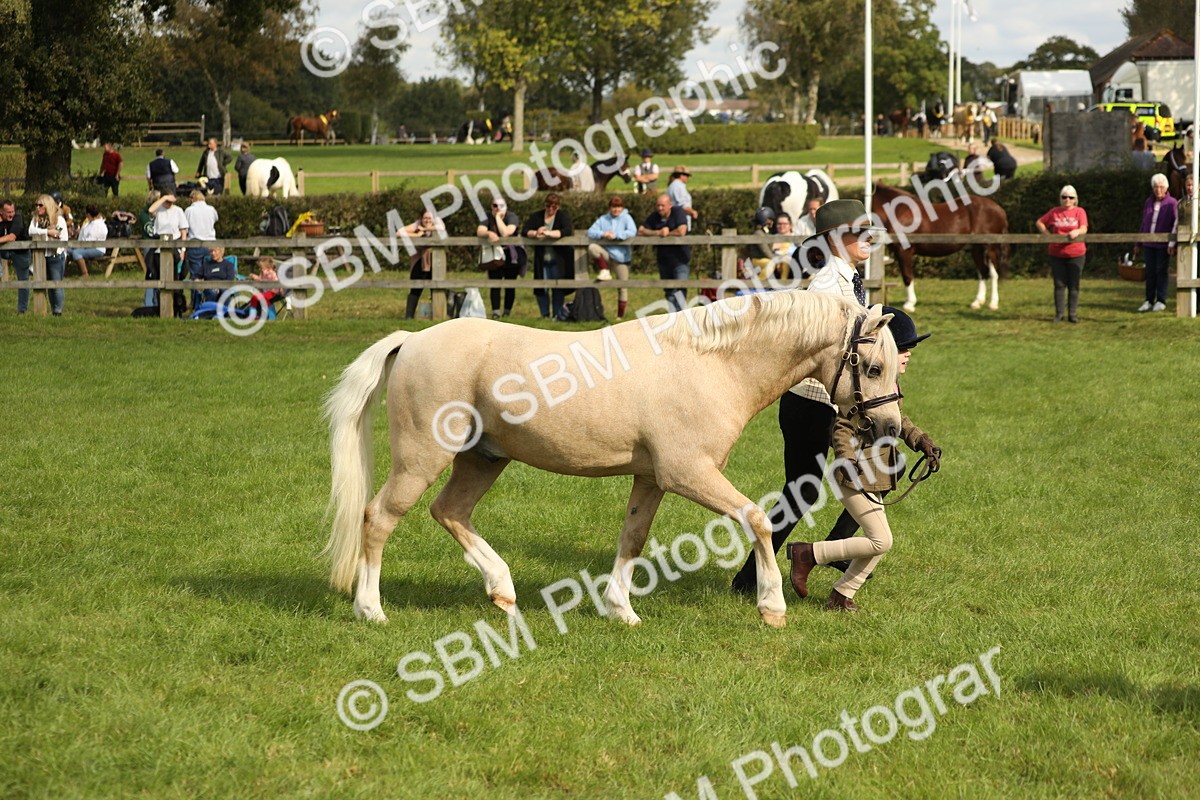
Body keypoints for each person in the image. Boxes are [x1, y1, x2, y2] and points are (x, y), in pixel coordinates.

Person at [731, 199, 880, 596]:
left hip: (836, 400)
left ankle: (806, 560)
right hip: (814, 402)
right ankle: (803, 560)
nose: (869, 238)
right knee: (807, 490)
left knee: (863, 476)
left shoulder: (847, 278)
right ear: (835, 238)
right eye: (857, 232)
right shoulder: (827, 287)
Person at [785, 306, 940, 612]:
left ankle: (842, 595)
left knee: (879, 542)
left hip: (875, 476)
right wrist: (847, 460)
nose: (908, 355)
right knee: (881, 541)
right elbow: (840, 426)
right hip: (854, 476)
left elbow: (901, 421)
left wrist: (922, 442)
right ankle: (808, 554)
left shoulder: (886, 388)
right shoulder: (860, 392)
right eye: (904, 349)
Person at [1036, 185, 1088, 323]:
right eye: (1064, 197)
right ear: (1060, 198)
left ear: (1075, 199)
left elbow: (1084, 227)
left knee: (1074, 284)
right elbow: (1040, 222)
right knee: (1059, 284)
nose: (1067, 200)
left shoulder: (1080, 212)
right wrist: (1048, 236)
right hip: (1057, 253)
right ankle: (1059, 314)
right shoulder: (1054, 212)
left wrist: (1077, 231)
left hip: (1076, 253)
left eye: (1070, 197)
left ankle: (1072, 314)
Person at [524, 193, 574, 320]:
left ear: (557, 207)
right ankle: (544, 314)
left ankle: (557, 315)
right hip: (542, 259)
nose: (551, 209)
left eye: (554, 207)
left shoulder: (562, 216)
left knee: (558, 288)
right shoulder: (537, 216)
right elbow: (525, 230)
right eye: (548, 206)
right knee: (542, 288)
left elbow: (567, 230)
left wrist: (550, 233)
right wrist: (536, 233)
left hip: (559, 259)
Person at [638, 193, 690, 312]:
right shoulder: (655, 216)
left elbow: (682, 231)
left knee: (680, 289)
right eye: (658, 206)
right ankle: (673, 318)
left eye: (663, 205)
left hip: (680, 259)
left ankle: (681, 318)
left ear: (670, 205)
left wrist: (668, 233)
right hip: (664, 260)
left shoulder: (678, 213)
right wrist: (658, 233)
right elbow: (641, 231)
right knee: (669, 292)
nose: (660, 208)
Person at [1134, 173, 1178, 312]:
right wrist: (1138, 243)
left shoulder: (1172, 203)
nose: (1158, 190)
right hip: (1148, 243)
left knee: (1161, 271)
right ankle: (1148, 300)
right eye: (1156, 187)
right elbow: (1144, 223)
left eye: (1161, 187)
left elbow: (1175, 224)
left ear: (1166, 188)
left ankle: (1161, 300)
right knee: (1150, 272)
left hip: (1163, 244)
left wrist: (1172, 244)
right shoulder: (1149, 202)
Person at [587, 196, 637, 318]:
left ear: (622, 207)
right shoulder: (603, 219)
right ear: (610, 207)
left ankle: (620, 316)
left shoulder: (626, 218)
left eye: (618, 207)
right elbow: (590, 232)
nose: (616, 209)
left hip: (622, 258)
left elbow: (632, 231)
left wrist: (617, 236)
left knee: (622, 287)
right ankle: (604, 270)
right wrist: (603, 234)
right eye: (614, 207)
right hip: (607, 255)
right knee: (592, 247)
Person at [476, 197, 522, 318]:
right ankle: (495, 311)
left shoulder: (511, 217)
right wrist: (489, 233)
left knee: (509, 284)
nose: (497, 208)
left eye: (500, 206)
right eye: (494, 206)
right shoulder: (486, 216)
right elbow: (480, 231)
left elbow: (506, 232)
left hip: (511, 254)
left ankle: (507, 311)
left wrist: (498, 218)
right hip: (494, 254)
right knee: (494, 283)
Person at [28, 194, 69, 316]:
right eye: (36, 205)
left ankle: (58, 311)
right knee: (44, 284)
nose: (38, 207)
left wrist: (46, 235)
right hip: (41, 255)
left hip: (56, 255)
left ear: (48, 206)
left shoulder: (59, 219)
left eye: (41, 205)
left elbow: (63, 237)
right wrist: (48, 232)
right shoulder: (35, 219)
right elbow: (31, 231)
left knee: (56, 284)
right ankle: (51, 309)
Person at [146, 193, 188, 308]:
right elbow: (150, 210)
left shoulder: (179, 211)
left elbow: (183, 231)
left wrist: (183, 249)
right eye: (167, 201)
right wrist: (163, 198)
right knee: (159, 279)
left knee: (175, 279)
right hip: (159, 250)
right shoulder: (158, 210)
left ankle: (176, 308)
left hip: (175, 249)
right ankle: (161, 307)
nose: (169, 204)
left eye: (171, 201)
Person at [402, 210, 446, 319]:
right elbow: (399, 232)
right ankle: (409, 316)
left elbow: (442, 228)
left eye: (430, 218)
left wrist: (426, 229)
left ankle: (437, 315)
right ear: (421, 219)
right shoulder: (417, 226)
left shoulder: (436, 227)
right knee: (416, 288)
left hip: (434, 262)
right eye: (425, 218)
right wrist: (417, 234)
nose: (427, 220)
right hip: (418, 262)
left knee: (435, 288)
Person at [0, 198, 32, 313]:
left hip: (21, 253)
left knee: (23, 280)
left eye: (13, 211)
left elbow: (11, 237)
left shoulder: (18, 218)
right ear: (1, 212)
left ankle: (22, 310)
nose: (12, 214)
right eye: (8, 212)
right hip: (5, 250)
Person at [183, 189, 219, 286]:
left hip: (195, 244)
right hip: (210, 244)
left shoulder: (189, 210)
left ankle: (196, 300)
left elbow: (185, 227)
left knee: (196, 276)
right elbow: (216, 219)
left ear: (192, 199)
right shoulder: (211, 209)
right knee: (211, 274)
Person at [68, 204, 108, 279]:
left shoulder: (100, 225)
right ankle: (64, 273)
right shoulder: (88, 223)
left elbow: (90, 241)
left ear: (89, 214)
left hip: (97, 249)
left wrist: (78, 246)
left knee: (76, 253)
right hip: (84, 246)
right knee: (66, 250)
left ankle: (85, 274)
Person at [667, 165, 697, 231]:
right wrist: (693, 212)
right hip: (680, 221)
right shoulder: (678, 186)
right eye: (687, 176)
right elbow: (681, 205)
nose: (687, 178)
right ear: (681, 175)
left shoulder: (674, 185)